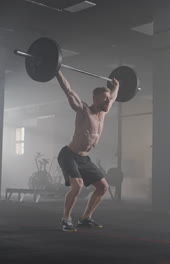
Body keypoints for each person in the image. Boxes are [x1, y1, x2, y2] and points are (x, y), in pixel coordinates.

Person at [56, 70, 119, 232]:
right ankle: (66, 219)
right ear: (95, 99)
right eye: (105, 98)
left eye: (108, 98)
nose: (108, 101)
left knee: (103, 187)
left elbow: (114, 97)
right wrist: (56, 71)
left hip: (84, 158)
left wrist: (116, 86)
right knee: (77, 186)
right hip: (69, 155)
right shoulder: (83, 110)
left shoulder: (103, 113)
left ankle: (85, 218)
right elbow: (68, 91)